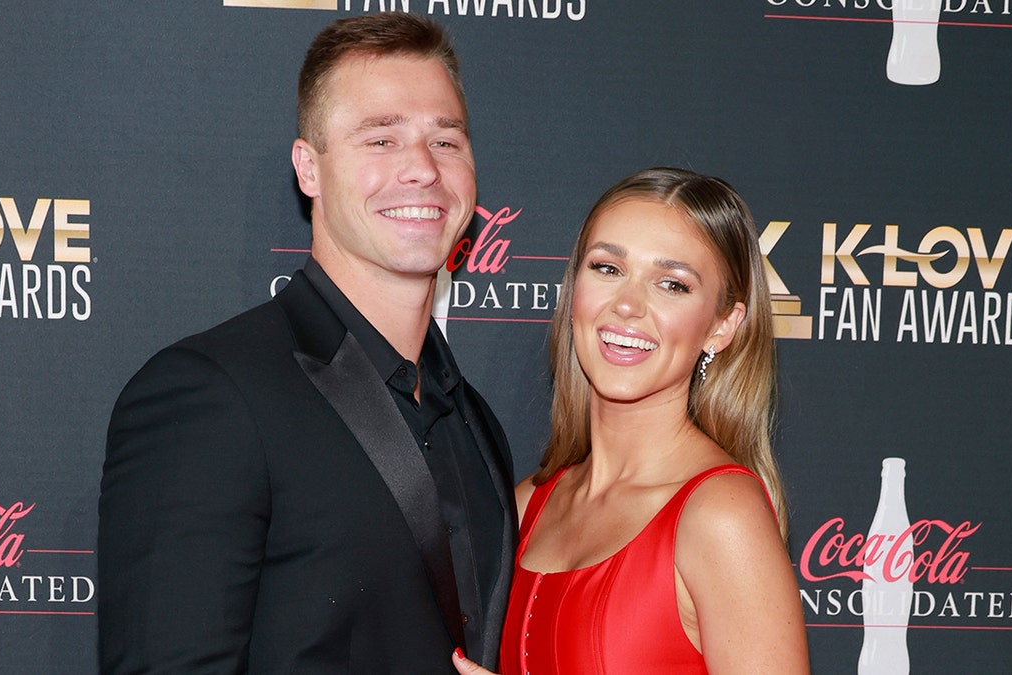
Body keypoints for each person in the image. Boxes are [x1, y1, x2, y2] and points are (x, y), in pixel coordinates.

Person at [98, 13, 517, 674]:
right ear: (309, 168)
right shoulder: (211, 395)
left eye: (446, 139)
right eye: (380, 138)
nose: (421, 168)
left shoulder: (477, 422)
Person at [453, 168, 809, 674]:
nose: (626, 305)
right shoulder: (526, 505)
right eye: (607, 268)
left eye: (672, 284)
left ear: (723, 325)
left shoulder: (721, 517)